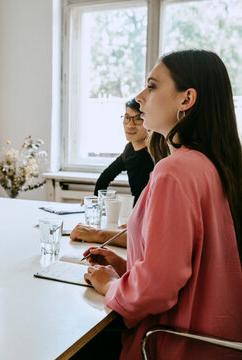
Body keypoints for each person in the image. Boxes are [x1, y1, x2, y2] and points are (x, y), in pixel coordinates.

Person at [83, 49, 242, 359]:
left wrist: (110, 286)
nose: (140, 97)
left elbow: (156, 290)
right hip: (218, 342)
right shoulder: (216, 164)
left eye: (152, 86)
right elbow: (196, 269)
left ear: (186, 100)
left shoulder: (174, 171)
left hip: (176, 344)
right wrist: (127, 269)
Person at [94, 98, 154, 204]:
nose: (130, 125)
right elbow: (105, 178)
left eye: (138, 119)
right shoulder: (129, 150)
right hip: (136, 215)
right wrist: (96, 203)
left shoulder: (154, 153)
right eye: (127, 117)